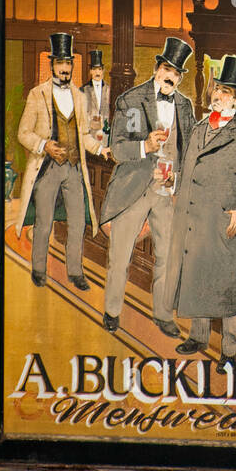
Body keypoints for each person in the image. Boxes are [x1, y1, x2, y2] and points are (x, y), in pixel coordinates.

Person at [170, 55, 236, 372]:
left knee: (226, 288)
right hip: (195, 221)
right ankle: (198, 338)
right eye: (217, 89)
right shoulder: (199, 129)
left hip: (224, 223)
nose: (217, 95)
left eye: (226, 91)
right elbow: (186, 170)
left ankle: (229, 351)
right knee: (198, 276)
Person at [98, 37, 195, 337]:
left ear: (180, 78)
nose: (170, 76)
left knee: (167, 256)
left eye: (176, 73)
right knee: (120, 255)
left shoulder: (185, 105)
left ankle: (163, 315)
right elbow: (117, 148)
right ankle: (112, 311)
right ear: (156, 69)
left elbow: (189, 152)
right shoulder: (131, 100)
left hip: (167, 194)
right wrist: (145, 145)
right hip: (134, 189)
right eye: (166, 68)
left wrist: (176, 180)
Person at [15, 32, 101, 290]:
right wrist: (44, 145)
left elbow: (84, 135)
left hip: (74, 170)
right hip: (47, 170)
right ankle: (39, 269)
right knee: (44, 222)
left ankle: (75, 272)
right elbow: (23, 134)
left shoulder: (80, 96)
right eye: (60, 63)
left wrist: (101, 149)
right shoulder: (37, 94)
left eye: (68, 63)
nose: (65, 68)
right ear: (52, 64)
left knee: (77, 223)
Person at [81, 49, 110, 156]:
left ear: (103, 71)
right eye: (94, 69)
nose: (97, 72)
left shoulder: (109, 89)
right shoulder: (83, 90)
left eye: (99, 69)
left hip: (105, 138)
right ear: (90, 71)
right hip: (89, 138)